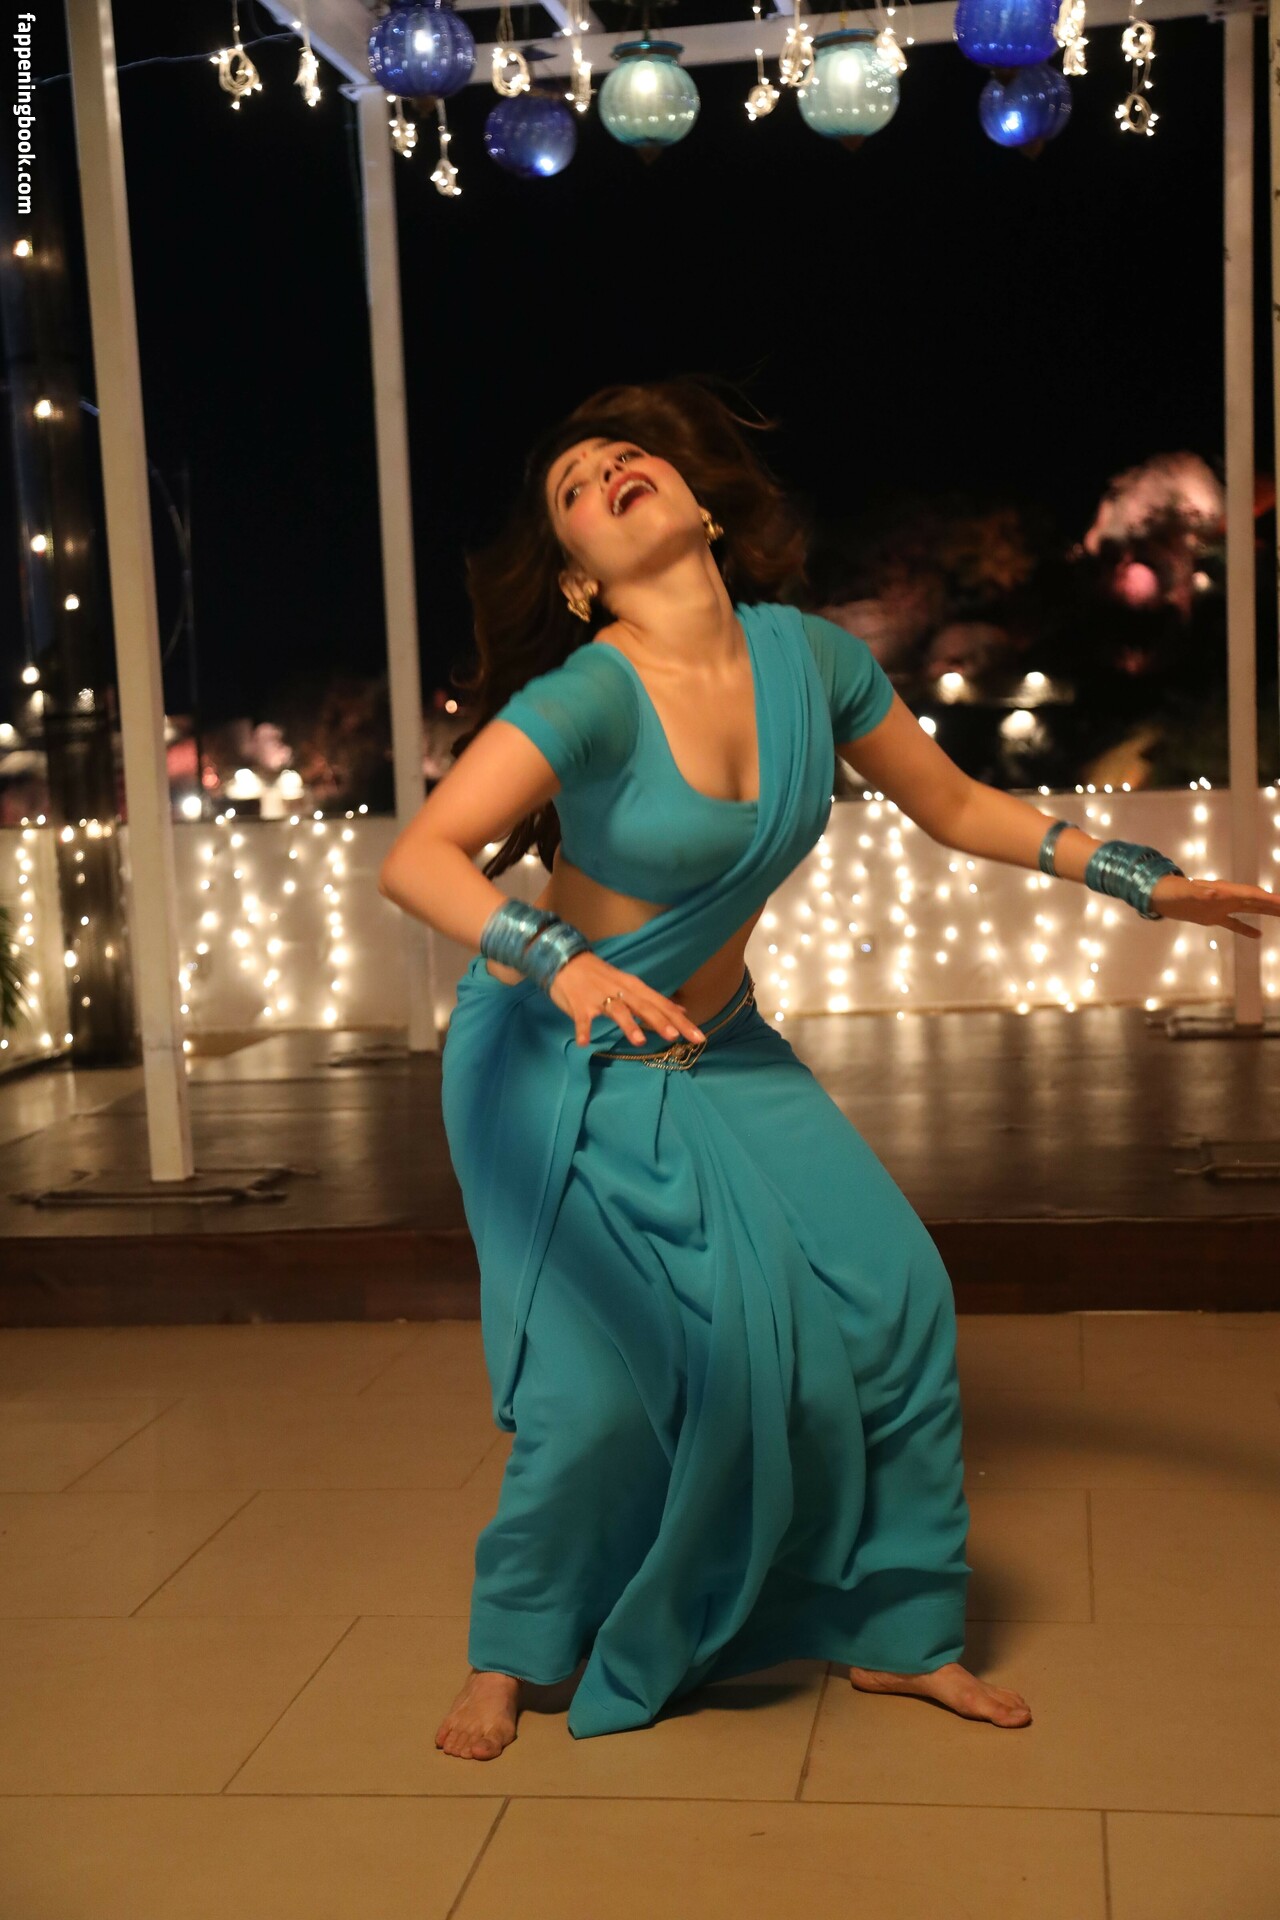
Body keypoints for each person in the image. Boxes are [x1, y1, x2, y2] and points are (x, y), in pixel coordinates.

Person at [379, 376, 1276, 1761]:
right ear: (576, 580)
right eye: (573, 488)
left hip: (715, 1043)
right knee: (599, 1390)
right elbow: (419, 859)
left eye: (626, 458)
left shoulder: (811, 660)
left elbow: (953, 803)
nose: (607, 474)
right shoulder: (591, 693)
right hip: (559, 1060)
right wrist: (562, 963)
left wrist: (1140, 879)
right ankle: (514, 1648)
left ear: (699, 505)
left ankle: (898, 1634)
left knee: (898, 1295)